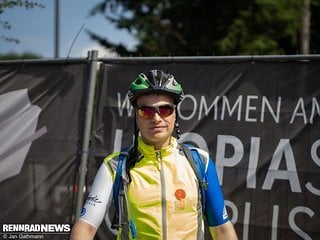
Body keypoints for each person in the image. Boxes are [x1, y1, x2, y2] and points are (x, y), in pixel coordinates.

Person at [70, 70, 238, 240]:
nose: (156, 118)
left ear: (175, 115)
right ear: (136, 117)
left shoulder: (200, 161)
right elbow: (86, 227)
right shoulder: (115, 165)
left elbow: (222, 230)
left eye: (165, 109)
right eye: (146, 111)